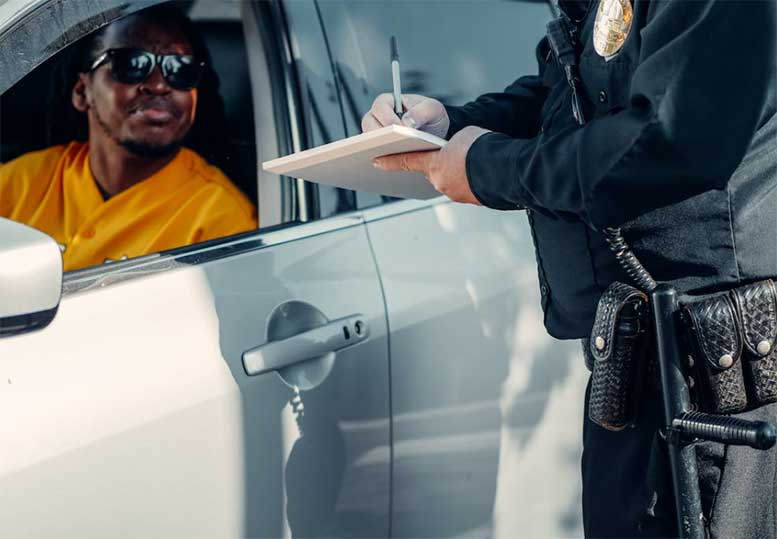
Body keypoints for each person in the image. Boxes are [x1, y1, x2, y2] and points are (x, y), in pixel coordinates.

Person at [363, 1, 777, 537]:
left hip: (722, 394)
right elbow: (575, 95)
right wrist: (453, 127)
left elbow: (669, 136)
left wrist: (489, 167)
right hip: (634, 377)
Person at [0, 5, 257, 272]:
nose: (158, 85)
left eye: (180, 68)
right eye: (131, 63)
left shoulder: (220, 217)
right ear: (81, 91)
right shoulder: (19, 183)